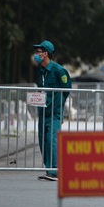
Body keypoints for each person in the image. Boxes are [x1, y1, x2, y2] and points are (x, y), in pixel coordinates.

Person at [32, 40, 72, 181]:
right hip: (43, 112)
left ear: (45, 53)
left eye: (38, 52)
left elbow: (67, 90)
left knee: (52, 139)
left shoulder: (59, 70)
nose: (35, 55)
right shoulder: (41, 71)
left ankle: (55, 171)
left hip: (54, 112)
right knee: (43, 140)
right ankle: (49, 169)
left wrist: (58, 106)